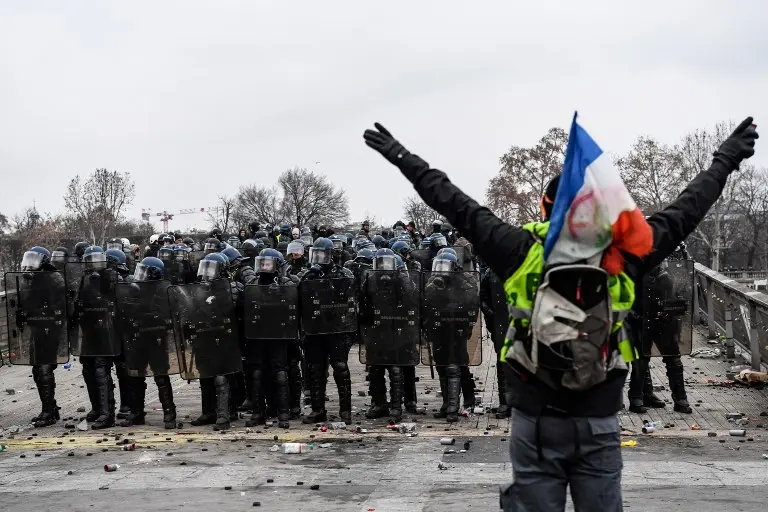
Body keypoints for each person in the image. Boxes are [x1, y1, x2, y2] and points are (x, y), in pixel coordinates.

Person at [362, 118, 758, 511]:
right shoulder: (623, 253)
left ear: (544, 207)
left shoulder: (518, 248)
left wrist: (400, 156)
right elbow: (689, 208)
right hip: (599, 416)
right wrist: (726, 159)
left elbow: (452, 201)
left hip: (535, 416)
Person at [627, 246, 693, 414]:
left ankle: (680, 399)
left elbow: (683, 288)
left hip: (665, 320)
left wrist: (676, 307)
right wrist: (633, 314)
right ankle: (637, 397)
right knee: (641, 360)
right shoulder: (634, 269)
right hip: (642, 320)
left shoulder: (669, 271)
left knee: (674, 360)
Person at [299, 237, 356, 423]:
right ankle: (318, 410)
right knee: (315, 369)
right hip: (315, 328)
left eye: (322, 254)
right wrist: (309, 277)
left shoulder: (343, 273)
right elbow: (300, 298)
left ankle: (345, 410)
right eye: (315, 254)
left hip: (337, 328)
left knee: (340, 368)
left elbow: (349, 297)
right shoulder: (308, 275)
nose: (318, 258)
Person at [118, 256, 178, 429]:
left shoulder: (164, 292)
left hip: (156, 339)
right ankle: (136, 413)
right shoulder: (134, 289)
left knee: (160, 376)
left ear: (154, 274)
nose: (141, 275)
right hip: (138, 338)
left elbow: (169, 316)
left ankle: (169, 413)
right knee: (135, 376)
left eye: (145, 271)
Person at [243, 248, 300, 428]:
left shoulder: (286, 282)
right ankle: (258, 412)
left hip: (279, 335)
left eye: (269, 263)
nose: (265, 267)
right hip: (258, 334)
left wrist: (282, 288)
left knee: (280, 373)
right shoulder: (253, 283)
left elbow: (295, 302)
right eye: (262, 263)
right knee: (258, 373)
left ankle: (283, 413)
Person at [16, 247, 66, 428]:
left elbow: (59, 307)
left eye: (33, 259)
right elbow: (24, 301)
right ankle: (51, 407)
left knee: (44, 369)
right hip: (36, 328)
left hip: (49, 329)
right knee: (37, 370)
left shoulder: (54, 279)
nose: (29, 264)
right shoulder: (28, 280)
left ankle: (48, 412)